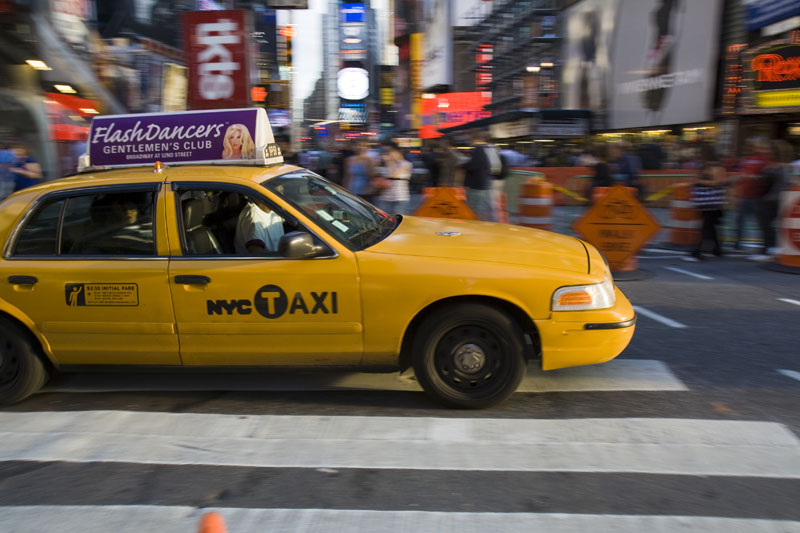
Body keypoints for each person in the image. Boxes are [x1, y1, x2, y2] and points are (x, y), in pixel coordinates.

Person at [684, 145, 729, 262]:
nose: (698, 155)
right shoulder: (706, 166)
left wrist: (699, 181)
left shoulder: (715, 167)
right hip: (706, 202)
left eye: (700, 153)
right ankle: (717, 250)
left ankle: (697, 251)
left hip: (711, 202)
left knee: (706, 227)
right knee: (710, 227)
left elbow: (718, 182)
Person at [751, 140, 793, 261]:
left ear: (776, 152)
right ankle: (768, 249)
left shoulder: (783, 167)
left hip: (774, 201)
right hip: (764, 200)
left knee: (769, 226)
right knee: (765, 225)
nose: (766, 152)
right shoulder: (769, 166)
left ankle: (770, 249)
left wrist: (768, 198)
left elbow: (783, 185)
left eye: (769, 150)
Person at [733, 137, 770, 251]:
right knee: (739, 220)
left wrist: (754, 177)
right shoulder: (746, 159)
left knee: (761, 222)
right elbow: (741, 175)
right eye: (748, 145)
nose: (749, 147)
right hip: (744, 195)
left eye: (751, 144)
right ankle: (737, 243)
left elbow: (767, 176)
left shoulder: (764, 159)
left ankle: (765, 245)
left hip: (757, 196)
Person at [463, 131, 497, 221]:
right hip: (485, 183)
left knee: (475, 211)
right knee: (482, 209)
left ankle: (476, 230)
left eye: (469, 138)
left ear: (473, 138)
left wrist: (463, 165)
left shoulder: (478, 149)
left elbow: (473, 166)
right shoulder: (487, 148)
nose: (468, 140)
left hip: (477, 185)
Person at [375, 141, 412, 215]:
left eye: (390, 151)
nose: (389, 154)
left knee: (398, 219)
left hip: (400, 197)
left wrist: (389, 162)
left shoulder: (406, 164)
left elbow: (393, 174)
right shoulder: (384, 164)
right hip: (385, 197)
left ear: (397, 152)